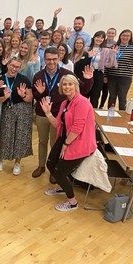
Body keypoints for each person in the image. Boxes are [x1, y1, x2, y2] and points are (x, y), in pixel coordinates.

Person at [31, 48, 93, 179]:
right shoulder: (38, 76)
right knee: (42, 141)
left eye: (54, 59)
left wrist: (88, 80)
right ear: (44, 59)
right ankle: (41, 165)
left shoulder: (67, 74)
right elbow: (34, 96)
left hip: (59, 117)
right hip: (42, 114)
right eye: (48, 59)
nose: (51, 62)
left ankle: (54, 169)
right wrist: (40, 93)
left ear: (59, 58)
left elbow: (82, 90)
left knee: (55, 143)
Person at [40, 75, 97, 212]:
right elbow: (58, 124)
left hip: (78, 143)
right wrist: (48, 113)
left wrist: (65, 145)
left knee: (60, 174)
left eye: (70, 84)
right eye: (64, 84)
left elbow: (77, 128)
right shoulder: (65, 103)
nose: (67, 87)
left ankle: (72, 203)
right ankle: (60, 188)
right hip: (65, 138)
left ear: (75, 85)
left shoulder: (82, 102)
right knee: (50, 163)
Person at [0, 58, 33, 175]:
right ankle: (0, 159)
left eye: (17, 67)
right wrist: (5, 98)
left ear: (20, 68)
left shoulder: (24, 80)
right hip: (8, 108)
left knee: (20, 136)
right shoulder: (0, 80)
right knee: (5, 134)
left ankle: (17, 163)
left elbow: (30, 98)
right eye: (12, 65)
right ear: (8, 65)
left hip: (23, 109)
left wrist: (23, 95)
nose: (14, 68)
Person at [106, 30, 133, 110]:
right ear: (120, 36)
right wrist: (105, 75)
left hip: (125, 77)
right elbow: (107, 63)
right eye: (123, 35)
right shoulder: (113, 46)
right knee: (112, 97)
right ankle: (109, 115)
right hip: (112, 76)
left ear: (130, 38)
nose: (125, 37)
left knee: (122, 98)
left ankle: (122, 117)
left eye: (127, 36)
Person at [85, 31, 118, 108]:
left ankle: (93, 115)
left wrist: (113, 54)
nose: (99, 39)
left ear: (103, 39)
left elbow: (110, 64)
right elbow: (82, 61)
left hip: (98, 74)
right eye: (97, 37)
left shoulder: (105, 50)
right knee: (85, 94)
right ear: (94, 37)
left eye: (101, 37)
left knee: (95, 96)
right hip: (87, 72)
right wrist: (88, 57)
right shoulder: (86, 49)